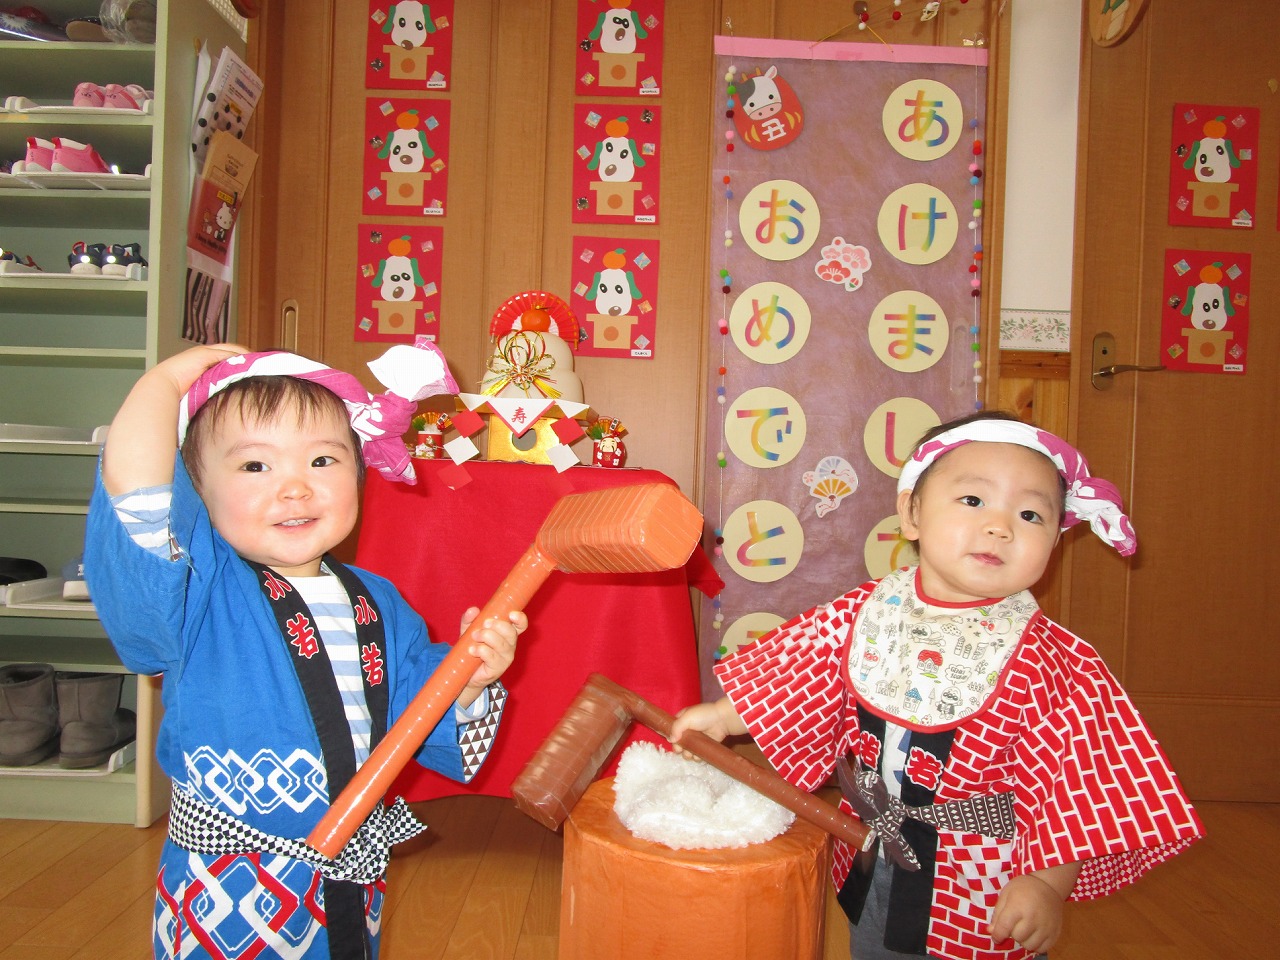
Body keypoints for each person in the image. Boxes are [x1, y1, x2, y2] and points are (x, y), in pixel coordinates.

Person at [670, 411, 1203, 960]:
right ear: (912, 513)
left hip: (983, 886)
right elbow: (798, 663)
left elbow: (1075, 789)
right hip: (870, 847)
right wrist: (726, 715)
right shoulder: (870, 610)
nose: (1000, 526)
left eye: (1030, 514)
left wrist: (1046, 884)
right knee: (872, 942)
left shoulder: (1054, 663)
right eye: (973, 501)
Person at [84, 340, 528, 960]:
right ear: (195, 495)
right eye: (255, 467)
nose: (296, 489)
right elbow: (137, 494)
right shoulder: (198, 588)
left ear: (361, 472)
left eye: (323, 460)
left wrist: (470, 682)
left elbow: (418, 707)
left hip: (347, 874)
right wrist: (163, 382)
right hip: (225, 885)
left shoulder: (379, 603)